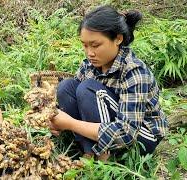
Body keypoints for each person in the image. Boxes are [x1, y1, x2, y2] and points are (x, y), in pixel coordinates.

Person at [49, 5, 168, 161]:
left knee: (87, 89)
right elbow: (72, 102)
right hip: (111, 127)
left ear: (118, 39)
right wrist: (54, 118)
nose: (90, 53)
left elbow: (127, 133)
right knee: (67, 87)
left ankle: (105, 159)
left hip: (140, 137)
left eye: (96, 45)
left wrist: (70, 123)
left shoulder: (134, 71)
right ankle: (90, 153)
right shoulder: (89, 66)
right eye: (85, 45)